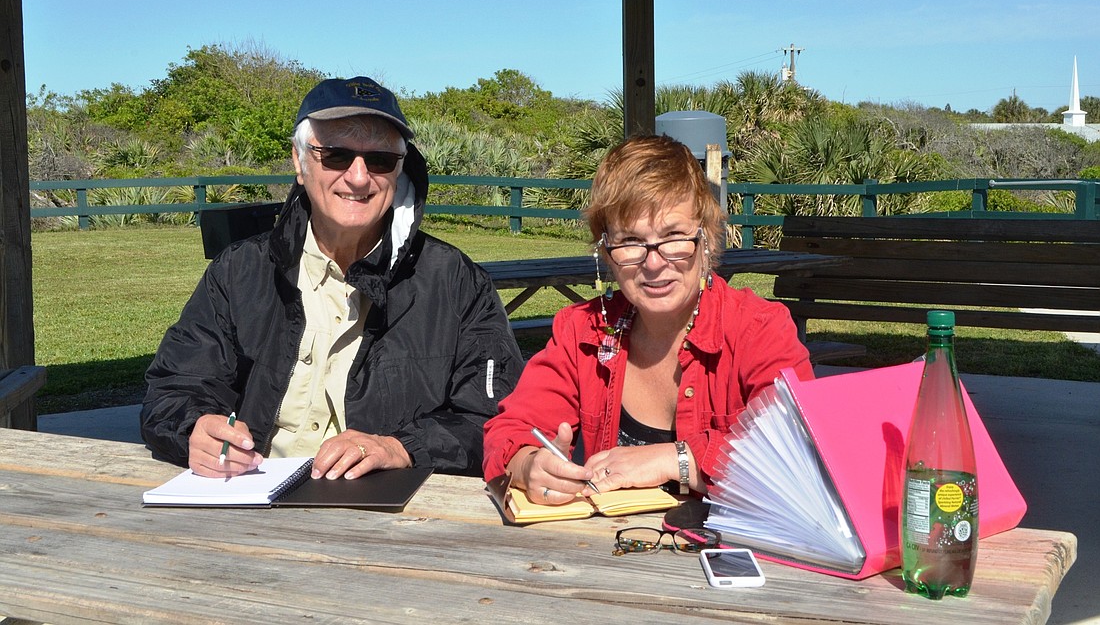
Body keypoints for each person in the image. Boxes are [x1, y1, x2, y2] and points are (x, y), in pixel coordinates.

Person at [142, 76, 523, 479]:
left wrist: (400, 447)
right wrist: (194, 430)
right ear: (299, 162)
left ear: (400, 170)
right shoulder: (239, 271)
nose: (359, 178)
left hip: (387, 518)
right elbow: (172, 390)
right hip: (249, 504)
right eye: (336, 155)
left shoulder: (457, 282)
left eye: (380, 160)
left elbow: (500, 420)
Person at [483, 134, 811, 503]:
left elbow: (798, 453)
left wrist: (678, 459)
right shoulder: (582, 332)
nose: (654, 263)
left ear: (706, 239)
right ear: (605, 253)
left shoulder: (759, 330)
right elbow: (508, 431)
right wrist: (528, 464)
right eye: (631, 242)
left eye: (673, 236)